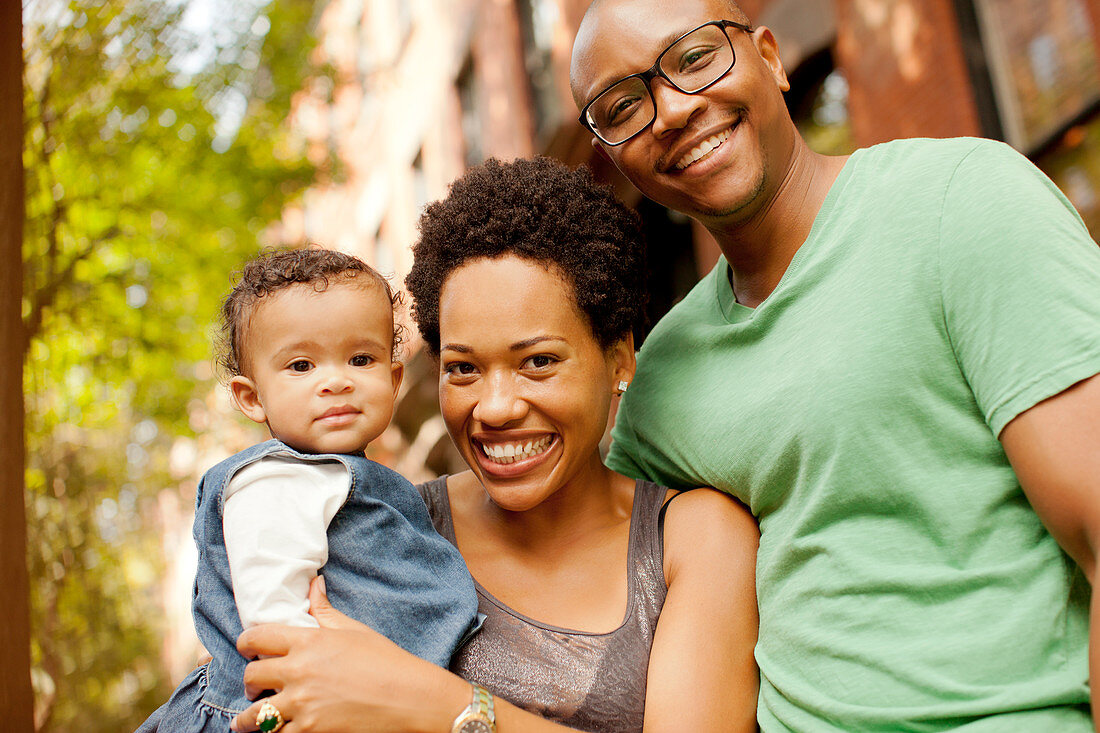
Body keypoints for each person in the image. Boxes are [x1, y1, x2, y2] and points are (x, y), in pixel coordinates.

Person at [569, 0, 1100, 731]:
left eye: (694, 59)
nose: (671, 109)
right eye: (623, 105)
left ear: (771, 57)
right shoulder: (659, 380)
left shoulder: (962, 201)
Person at [228, 158, 760, 733]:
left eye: (538, 362)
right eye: (463, 368)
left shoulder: (694, 538)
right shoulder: (378, 530)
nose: (496, 407)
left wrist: (434, 702)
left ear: (619, 358)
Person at [137, 248, 480, 733]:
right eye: (301, 366)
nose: (336, 381)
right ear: (252, 398)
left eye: (361, 359)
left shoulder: (354, 479)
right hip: (289, 709)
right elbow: (274, 617)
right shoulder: (272, 480)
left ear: (394, 377)